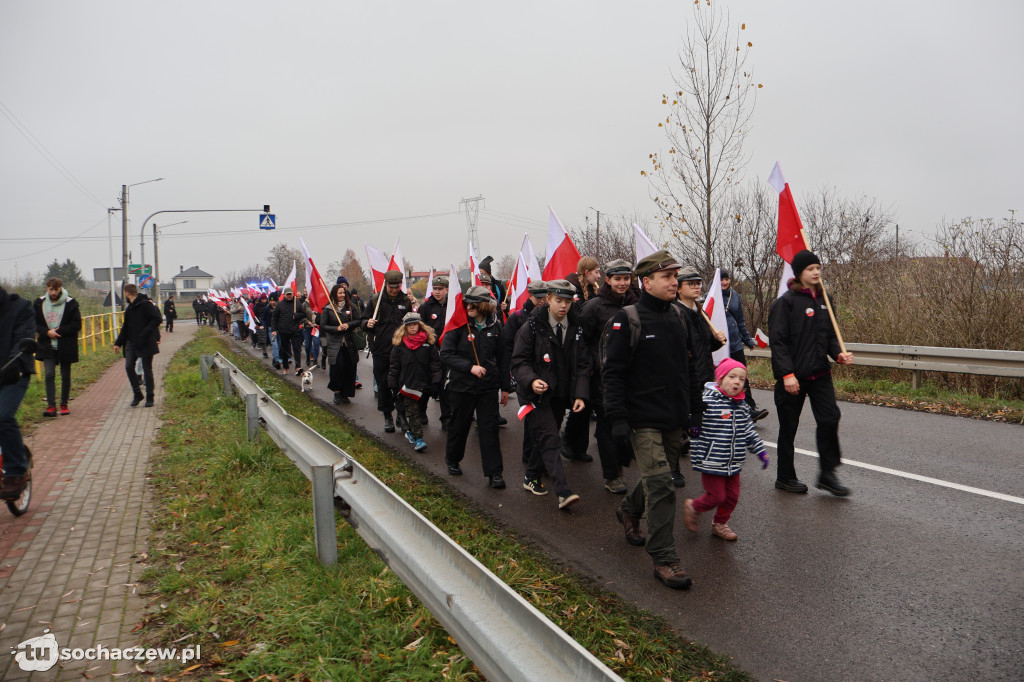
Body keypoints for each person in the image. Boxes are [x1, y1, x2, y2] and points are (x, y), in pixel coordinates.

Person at [603, 250, 702, 590]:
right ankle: (664, 558)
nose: (676, 282)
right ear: (646, 282)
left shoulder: (679, 316)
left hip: (672, 416)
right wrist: (617, 418)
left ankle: (629, 510)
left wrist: (694, 411)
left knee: (655, 478)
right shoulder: (626, 319)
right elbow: (612, 373)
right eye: (667, 277)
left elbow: (688, 368)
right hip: (640, 417)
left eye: (676, 276)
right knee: (661, 484)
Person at [768, 249, 854, 496]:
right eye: (810, 269)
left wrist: (838, 353)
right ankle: (785, 476)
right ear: (799, 273)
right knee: (789, 428)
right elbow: (779, 342)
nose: (816, 272)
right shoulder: (785, 303)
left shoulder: (825, 300)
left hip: (820, 374)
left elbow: (829, 338)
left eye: (818, 268)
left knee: (829, 418)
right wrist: (787, 374)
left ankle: (827, 474)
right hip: (793, 377)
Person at [512, 280, 590, 510]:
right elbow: (518, 361)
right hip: (535, 394)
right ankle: (563, 491)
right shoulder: (532, 326)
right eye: (559, 301)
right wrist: (531, 380)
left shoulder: (577, 326)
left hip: (560, 393)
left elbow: (583, 364)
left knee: (546, 436)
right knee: (551, 438)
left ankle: (531, 476)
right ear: (548, 299)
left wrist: (580, 394)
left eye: (568, 301)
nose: (563, 306)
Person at [683, 358, 769, 541]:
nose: (737, 381)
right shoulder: (707, 402)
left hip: (733, 461)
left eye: (742, 379)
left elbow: (748, 431)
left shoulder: (742, 406)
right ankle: (694, 507)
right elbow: (692, 419)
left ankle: (720, 523)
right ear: (720, 379)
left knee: (732, 497)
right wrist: (693, 427)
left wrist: (760, 450)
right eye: (732, 376)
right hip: (712, 459)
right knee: (716, 496)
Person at [440, 286, 510, 487]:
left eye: (474, 303)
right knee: (459, 425)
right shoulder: (459, 325)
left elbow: (503, 359)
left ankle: (494, 473)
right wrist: (469, 367)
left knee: (489, 429)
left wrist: (505, 388)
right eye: (467, 302)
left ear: (485, 306)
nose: (469, 306)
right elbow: (445, 354)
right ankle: (452, 459)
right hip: (461, 386)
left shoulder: (496, 326)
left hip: (488, 387)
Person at [580, 259, 638, 494]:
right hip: (602, 377)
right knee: (606, 424)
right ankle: (612, 475)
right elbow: (583, 343)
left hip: (632, 376)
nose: (622, 283)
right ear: (608, 280)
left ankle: (622, 459)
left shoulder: (637, 304)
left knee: (627, 422)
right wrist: (591, 368)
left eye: (626, 279)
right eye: (618, 279)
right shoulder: (594, 307)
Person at [672, 266, 727, 488]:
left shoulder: (700, 312)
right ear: (679, 288)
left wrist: (717, 339)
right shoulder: (675, 313)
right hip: (684, 377)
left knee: (700, 420)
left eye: (698, 283)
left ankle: (704, 457)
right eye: (690, 283)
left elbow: (704, 344)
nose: (696, 286)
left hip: (704, 375)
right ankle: (673, 469)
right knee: (677, 424)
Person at [362, 271, 415, 433]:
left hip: (400, 350)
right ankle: (387, 416)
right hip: (381, 350)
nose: (394, 290)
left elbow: (411, 323)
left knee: (400, 383)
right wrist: (367, 323)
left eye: (397, 286)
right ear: (386, 285)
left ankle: (401, 414)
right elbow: (362, 321)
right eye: (391, 287)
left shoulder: (405, 301)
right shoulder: (375, 300)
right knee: (384, 385)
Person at [561, 256, 601, 462]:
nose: (599, 276)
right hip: (576, 351)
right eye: (596, 272)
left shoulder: (594, 292)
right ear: (587, 273)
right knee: (581, 399)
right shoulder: (570, 292)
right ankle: (567, 439)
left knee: (588, 401)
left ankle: (579, 447)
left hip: (592, 351)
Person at [0, 284, 37, 500]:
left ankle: (15, 472)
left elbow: (24, 338)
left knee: (2, 416)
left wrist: (15, 363)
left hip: (13, 374)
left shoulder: (21, 308)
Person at [505, 280, 547, 465]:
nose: (542, 301)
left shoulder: (548, 315)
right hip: (524, 373)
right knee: (532, 417)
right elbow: (507, 345)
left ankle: (538, 455)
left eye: (545, 297)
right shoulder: (517, 317)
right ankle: (529, 457)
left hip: (543, 373)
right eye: (538, 298)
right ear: (529, 295)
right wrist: (510, 371)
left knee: (543, 418)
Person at [389, 312, 441, 453]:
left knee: (420, 409)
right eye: (410, 325)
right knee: (413, 412)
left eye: (415, 325)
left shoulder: (428, 344)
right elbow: (394, 367)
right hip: (407, 385)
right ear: (404, 327)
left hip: (424, 384)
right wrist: (393, 385)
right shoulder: (399, 345)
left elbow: (435, 365)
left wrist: (436, 382)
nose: (412, 327)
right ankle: (419, 438)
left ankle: (411, 432)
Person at [721, 269, 768, 421]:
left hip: (736, 344)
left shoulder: (734, 296)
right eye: (721, 279)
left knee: (742, 376)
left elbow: (740, 321)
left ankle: (749, 407)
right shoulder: (710, 297)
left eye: (727, 278)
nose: (724, 282)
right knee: (723, 379)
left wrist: (748, 340)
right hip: (719, 347)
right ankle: (725, 410)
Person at [33, 278, 82, 417]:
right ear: (46, 288)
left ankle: (64, 404)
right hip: (46, 344)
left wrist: (59, 332)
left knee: (65, 375)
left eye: (56, 289)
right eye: (51, 289)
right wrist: (47, 332)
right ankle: (51, 406)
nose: (53, 292)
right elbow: (34, 323)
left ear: (60, 288)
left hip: (65, 345)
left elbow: (76, 324)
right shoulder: (39, 303)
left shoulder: (70, 303)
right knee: (49, 374)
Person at [113, 283, 163, 408]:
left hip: (145, 342)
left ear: (127, 293)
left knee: (147, 369)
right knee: (129, 366)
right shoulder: (129, 308)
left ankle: (150, 397)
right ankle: (137, 394)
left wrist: (145, 333)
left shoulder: (145, 304)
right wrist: (118, 343)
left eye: (124, 293)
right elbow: (125, 327)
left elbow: (157, 319)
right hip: (131, 342)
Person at [418, 275, 451, 428]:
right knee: (426, 384)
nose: (437, 292)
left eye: (440, 289)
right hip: (429, 351)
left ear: (447, 289)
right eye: (435, 289)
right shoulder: (426, 307)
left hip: (447, 350)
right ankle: (421, 411)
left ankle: (446, 416)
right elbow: (419, 329)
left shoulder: (453, 306)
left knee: (444, 384)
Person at [321, 285, 359, 404]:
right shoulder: (328, 309)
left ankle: (345, 393)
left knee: (349, 368)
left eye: (343, 293)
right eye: (339, 293)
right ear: (334, 294)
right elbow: (323, 326)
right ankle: (337, 392)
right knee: (337, 367)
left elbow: (358, 320)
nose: (342, 295)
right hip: (334, 343)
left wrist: (349, 325)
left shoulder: (351, 307)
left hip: (349, 343)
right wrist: (336, 328)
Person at [272, 288, 307, 375]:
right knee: (284, 349)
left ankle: (298, 367)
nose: (289, 296)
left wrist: (297, 315)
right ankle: (285, 367)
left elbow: (303, 314)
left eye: (290, 294)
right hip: (283, 330)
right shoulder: (280, 304)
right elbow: (275, 317)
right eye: (287, 294)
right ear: (284, 295)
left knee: (297, 348)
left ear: (292, 294)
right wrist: (274, 329)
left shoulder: (297, 303)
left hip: (295, 329)